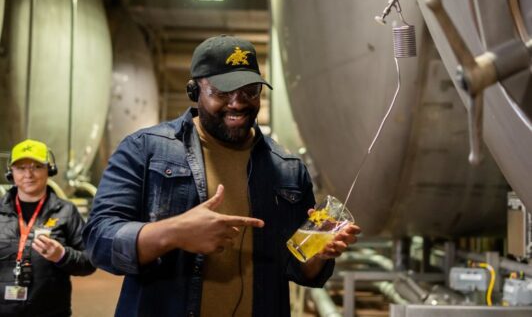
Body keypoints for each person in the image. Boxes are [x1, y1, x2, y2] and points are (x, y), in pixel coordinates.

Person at [83, 35, 360, 317]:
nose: (237, 103)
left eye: (249, 91)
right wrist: (175, 232)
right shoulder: (144, 149)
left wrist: (317, 254)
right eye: (222, 92)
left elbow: (295, 269)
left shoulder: (287, 169)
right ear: (195, 90)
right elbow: (98, 241)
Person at [0, 139, 96, 316]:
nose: (29, 174)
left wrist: (62, 255)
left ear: (49, 170)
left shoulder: (66, 211)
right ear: (11, 172)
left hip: (51, 311)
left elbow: (89, 262)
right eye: (21, 168)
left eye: (36, 166)